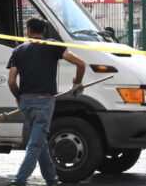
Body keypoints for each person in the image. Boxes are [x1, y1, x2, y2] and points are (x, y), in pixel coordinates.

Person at [6, 17, 86, 186]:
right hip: (44, 102)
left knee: (40, 141)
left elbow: (12, 81)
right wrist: (77, 82)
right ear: (44, 31)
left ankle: (51, 179)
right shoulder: (53, 46)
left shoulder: (18, 50)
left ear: (28, 30)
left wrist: (19, 97)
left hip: (26, 103)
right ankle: (19, 180)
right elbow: (80, 63)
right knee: (35, 144)